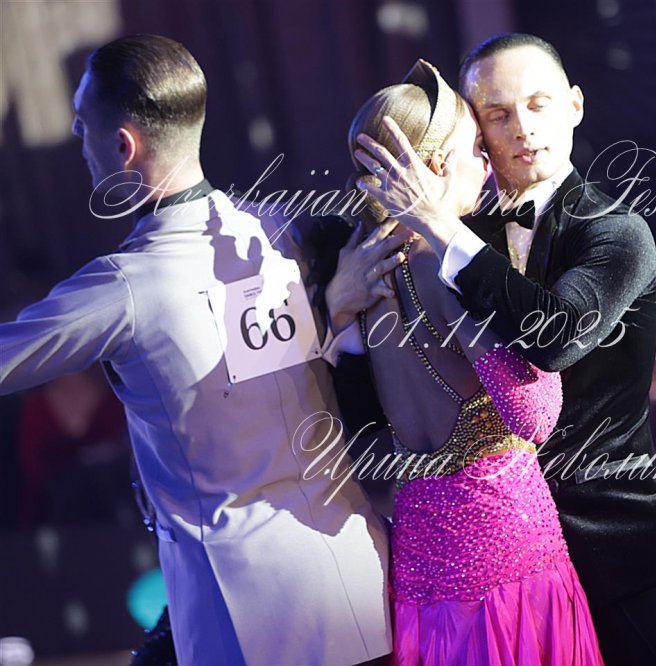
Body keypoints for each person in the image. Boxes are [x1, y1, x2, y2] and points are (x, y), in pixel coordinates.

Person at [0, 34, 406, 665]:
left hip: (245, 613)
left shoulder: (126, 286)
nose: (78, 139)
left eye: (82, 124)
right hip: (356, 577)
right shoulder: (281, 233)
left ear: (123, 145)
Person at [351, 33, 656, 665]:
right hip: (499, 553)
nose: (523, 128)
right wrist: (340, 296)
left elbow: (554, 338)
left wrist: (444, 230)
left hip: (617, 538)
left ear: (575, 106)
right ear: (475, 131)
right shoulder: (451, 233)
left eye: (538, 104)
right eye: (498, 114)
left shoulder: (614, 231)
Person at [329, 58, 603, 665]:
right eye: (475, 147)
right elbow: (534, 414)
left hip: (420, 552)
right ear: (430, 167)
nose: (488, 161)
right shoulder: (447, 264)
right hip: (502, 544)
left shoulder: (357, 266)